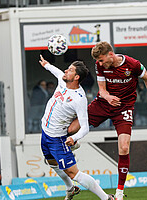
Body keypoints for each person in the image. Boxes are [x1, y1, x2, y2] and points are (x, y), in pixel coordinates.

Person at [68, 41, 147, 200]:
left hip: (124, 108)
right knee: (71, 128)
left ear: (110, 55)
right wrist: (108, 97)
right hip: (103, 103)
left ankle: (119, 192)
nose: (99, 63)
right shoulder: (100, 66)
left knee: (124, 147)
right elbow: (102, 90)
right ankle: (73, 143)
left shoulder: (133, 65)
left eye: (101, 60)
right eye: (98, 61)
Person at [39, 55, 114, 200]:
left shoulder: (79, 99)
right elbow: (57, 72)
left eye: (70, 70)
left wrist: (73, 138)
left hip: (57, 139)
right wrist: (46, 65)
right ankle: (70, 188)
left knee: (75, 174)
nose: (66, 71)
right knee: (52, 163)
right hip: (45, 133)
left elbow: (85, 127)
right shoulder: (62, 80)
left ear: (76, 77)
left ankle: (106, 198)